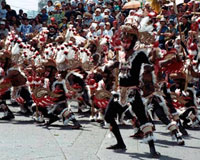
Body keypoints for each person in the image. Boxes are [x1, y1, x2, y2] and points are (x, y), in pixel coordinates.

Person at [104, 18, 160, 157]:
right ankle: (120, 143)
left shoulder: (140, 53)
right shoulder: (121, 55)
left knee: (143, 118)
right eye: (124, 36)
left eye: (129, 36)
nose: (125, 38)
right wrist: (111, 66)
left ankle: (152, 148)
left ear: (134, 39)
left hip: (133, 91)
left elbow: (149, 66)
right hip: (119, 92)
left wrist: (149, 66)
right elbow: (117, 65)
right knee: (108, 116)